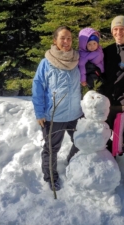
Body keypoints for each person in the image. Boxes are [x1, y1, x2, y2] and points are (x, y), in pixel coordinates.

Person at [32, 26, 83, 191]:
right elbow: (38, 86)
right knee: (51, 149)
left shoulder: (77, 59)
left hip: (75, 113)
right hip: (54, 116)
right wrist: (39, 112)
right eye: (62, 38)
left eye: (69, 38)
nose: (66, 41)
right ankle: (50, 177)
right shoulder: (46, 63)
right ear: (55, 41)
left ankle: (72, 162)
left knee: (81, 141)